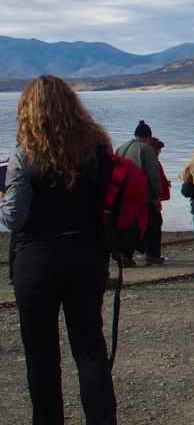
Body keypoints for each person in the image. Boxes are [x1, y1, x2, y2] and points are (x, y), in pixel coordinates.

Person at [0, 75, 118, 424]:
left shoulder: (25, 155)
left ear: (29, 111)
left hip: (38, 262)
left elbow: (15, 218)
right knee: (90, 348)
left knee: (42, 355)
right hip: (87, 256)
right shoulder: (97, 149)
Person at [115, 120, 164, 266]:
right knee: (153, 224)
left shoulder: (121, 148)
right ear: (147, 137)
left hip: (124, 193)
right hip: (143, 193)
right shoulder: (146, 149)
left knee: (128, 223)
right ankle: (152, 254)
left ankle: (126, 255)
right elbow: (152, 173)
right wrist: (158, 192)